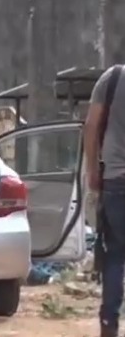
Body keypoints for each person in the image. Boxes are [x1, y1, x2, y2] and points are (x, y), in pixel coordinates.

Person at [86, 65, 125, 337]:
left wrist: (92, 171)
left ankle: (109, 325)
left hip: (115, 181)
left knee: (114, 257)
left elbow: (91, 126)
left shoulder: (112, 79)